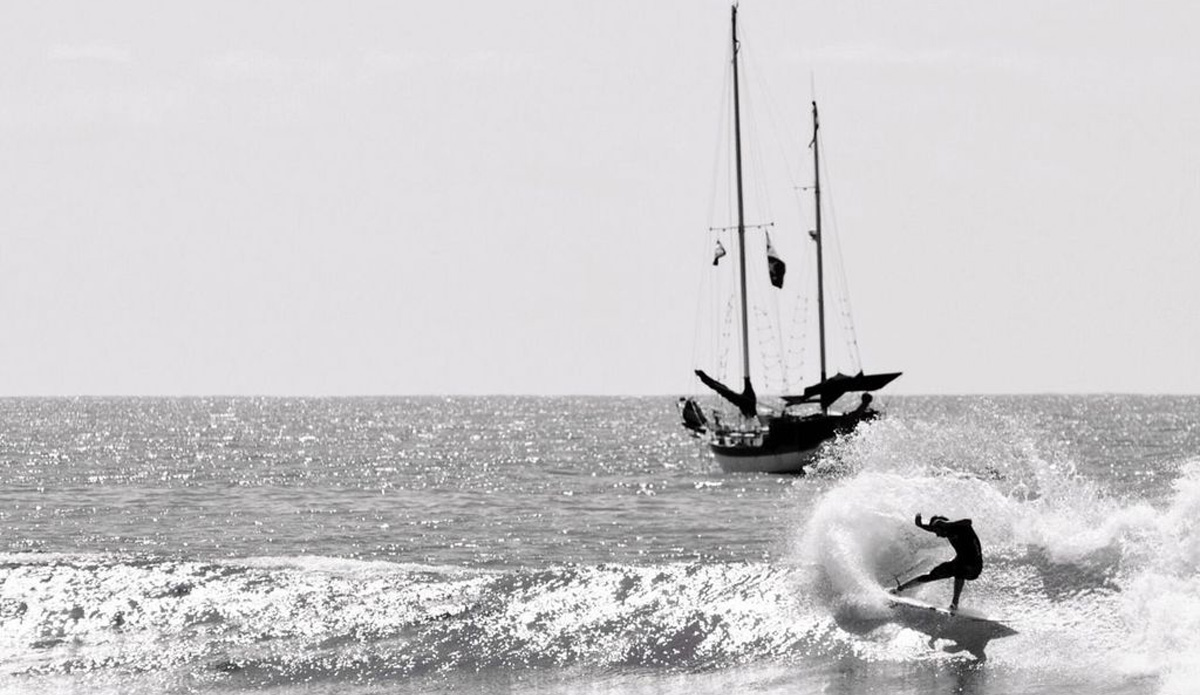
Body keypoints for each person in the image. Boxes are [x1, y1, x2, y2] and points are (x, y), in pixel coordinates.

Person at [890, 514, 982, 612]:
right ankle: (899, 589)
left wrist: (947, 524)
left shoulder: (962, 528)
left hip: (974, 567)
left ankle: (954, 604)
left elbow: (968, 521)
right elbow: (935, 528)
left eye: (937, 531)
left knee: (960, 569)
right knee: (932, 575)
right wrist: (921, 526)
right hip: (959, 562)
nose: (937, 535)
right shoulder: (946, 530)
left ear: (943, 526)